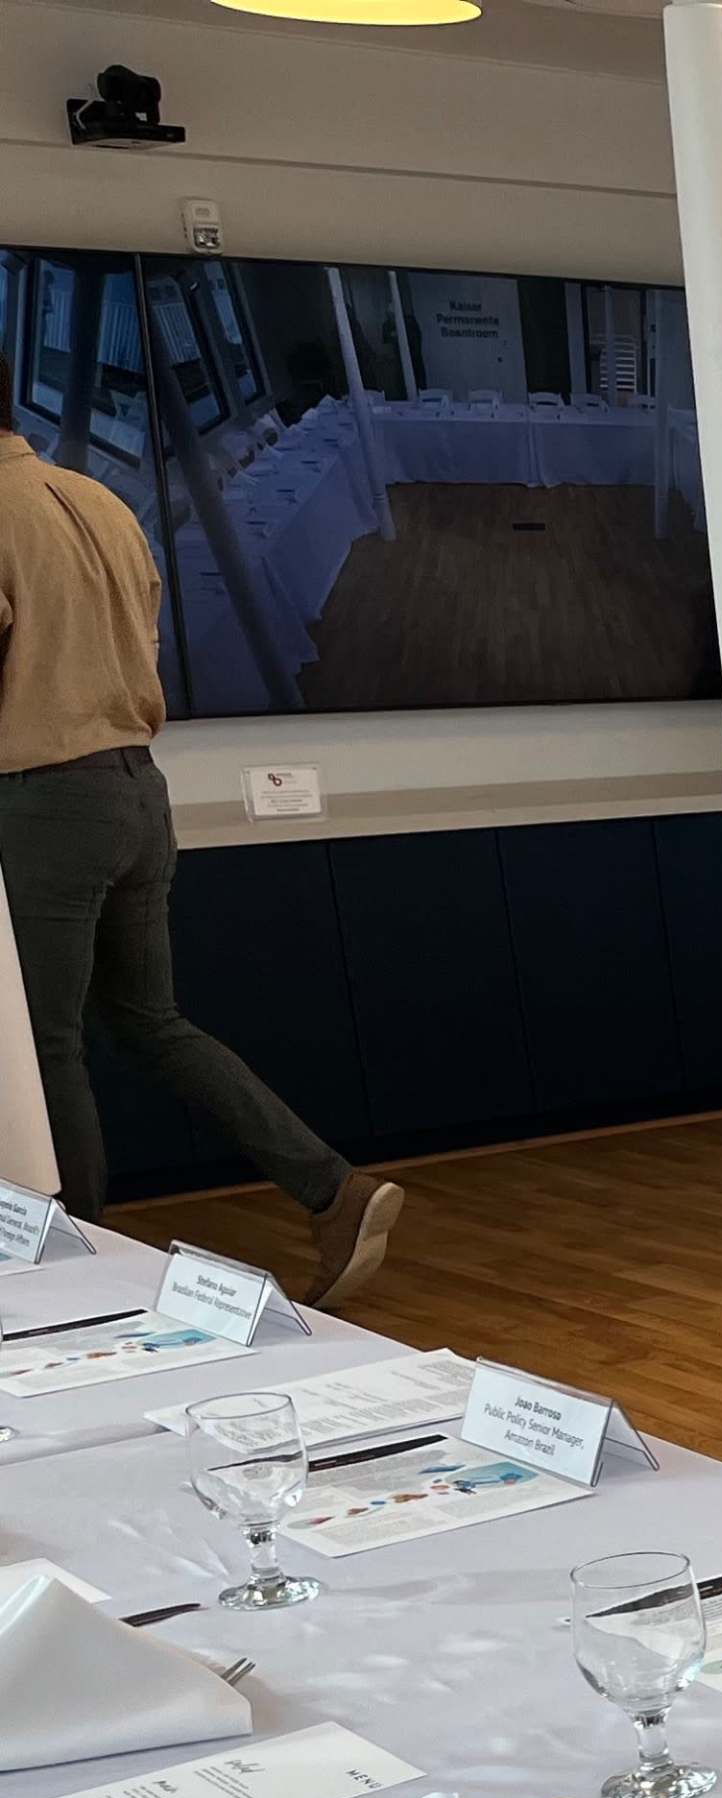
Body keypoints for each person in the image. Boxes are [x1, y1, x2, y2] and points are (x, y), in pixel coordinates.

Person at [0, 435, 401, 1304]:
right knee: (151, 1020)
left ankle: (78, 1272)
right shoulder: (100, 500)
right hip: (139, 788)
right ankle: (331, 1187)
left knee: (46, 1044)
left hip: (43, 801)